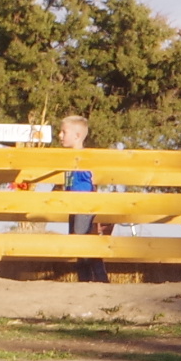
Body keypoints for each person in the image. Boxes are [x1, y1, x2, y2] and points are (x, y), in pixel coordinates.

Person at [54, 114, 107, 283]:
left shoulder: (86, 157)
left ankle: (97, 278)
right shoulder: (67, 159)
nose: (59, 136)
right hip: (73, 204)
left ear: (77, 136)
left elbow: (96, 178)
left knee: (81, 240)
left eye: (64, 132)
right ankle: (87, 280)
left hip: (84, 204)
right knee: (79, 242)